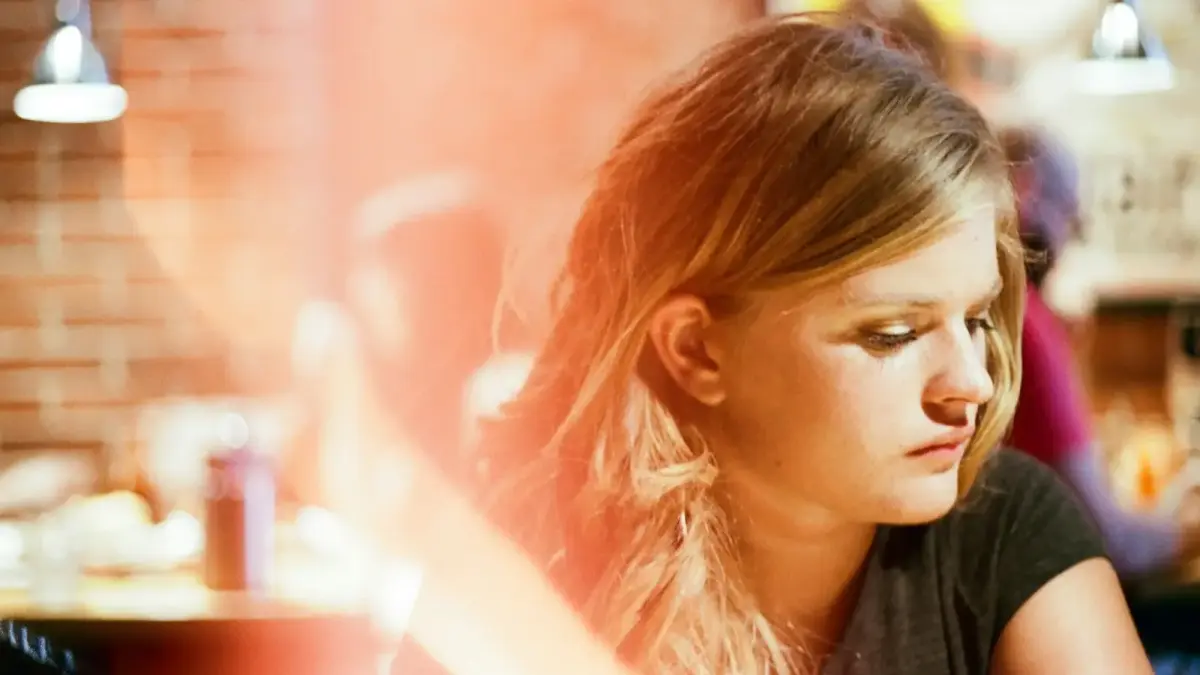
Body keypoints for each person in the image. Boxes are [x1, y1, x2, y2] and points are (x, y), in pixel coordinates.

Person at [396, 14, 1150, 675]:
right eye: (892, 332)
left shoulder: (1004, 533)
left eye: (979, 319)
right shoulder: (535, 565)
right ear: (697, 349)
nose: (971, 382)